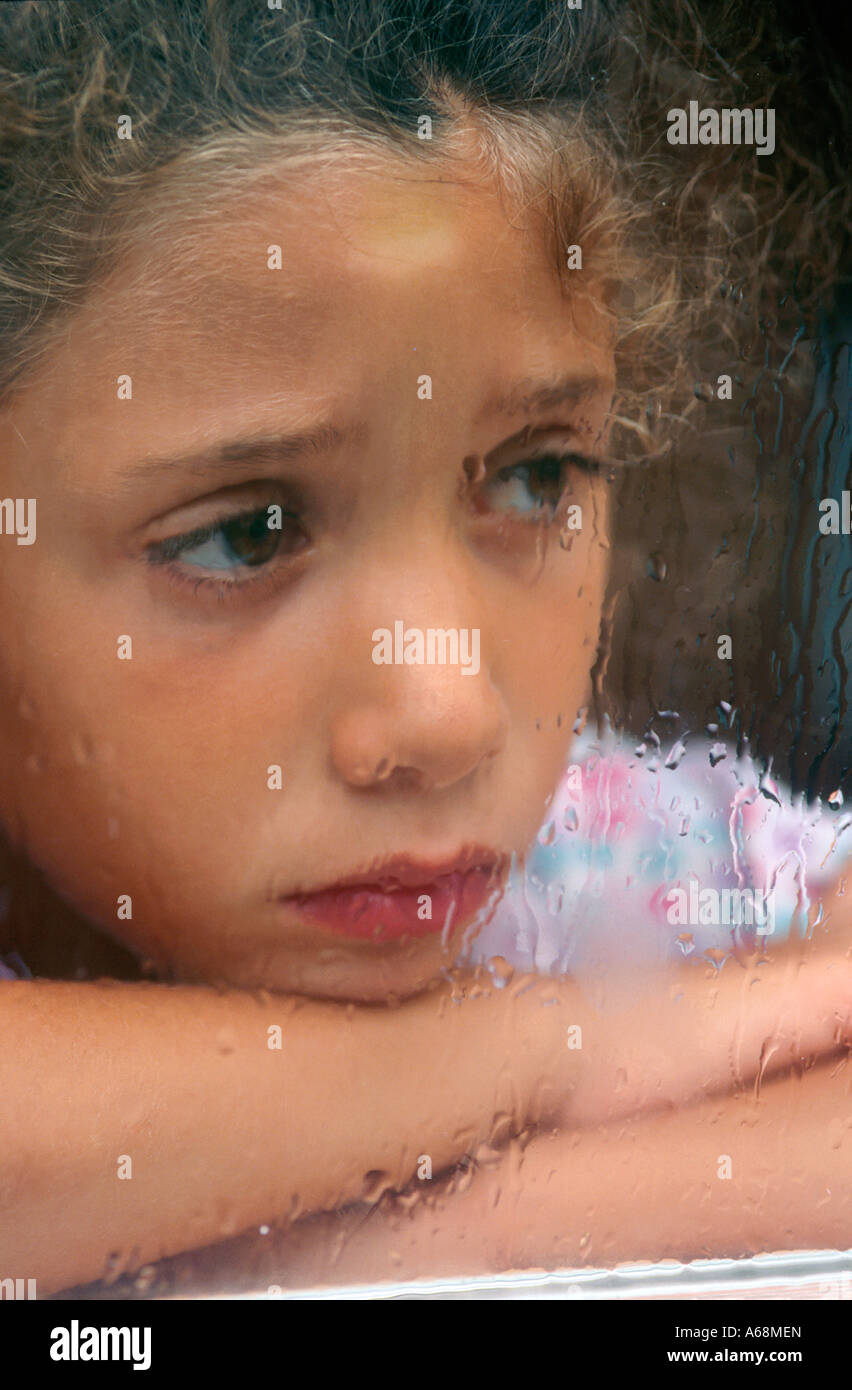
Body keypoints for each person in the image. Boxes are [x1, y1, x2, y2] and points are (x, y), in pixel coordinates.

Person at [0, 0, 849, 1297]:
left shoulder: (673, 868)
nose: (448, 713)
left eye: (531, 480)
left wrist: (326, 1244)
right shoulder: (699, 975)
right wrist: (571, 1047)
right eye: (247, 535)